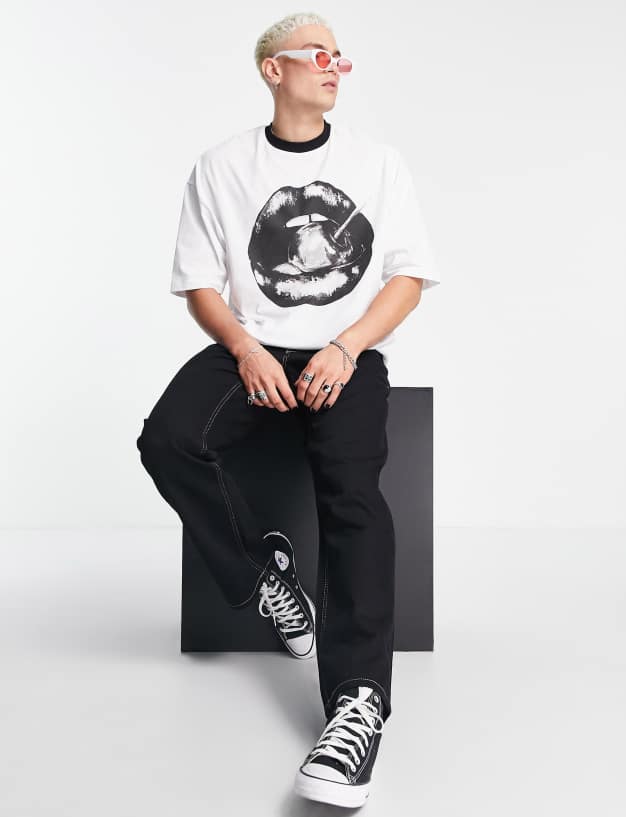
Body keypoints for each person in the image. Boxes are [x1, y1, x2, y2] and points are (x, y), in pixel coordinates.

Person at [136, 11, 440, 809]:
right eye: (318, 55)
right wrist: (244, 348)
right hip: (256, 346)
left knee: (354, 496)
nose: (336, 66)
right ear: (274, 70)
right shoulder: (220, 166)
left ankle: (358, 702)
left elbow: (407, 277)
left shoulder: (378, 163)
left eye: (342, 57)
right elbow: (201, 282)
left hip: (347, 352)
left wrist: (346, 346)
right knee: (168, 439)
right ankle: (265, 575)